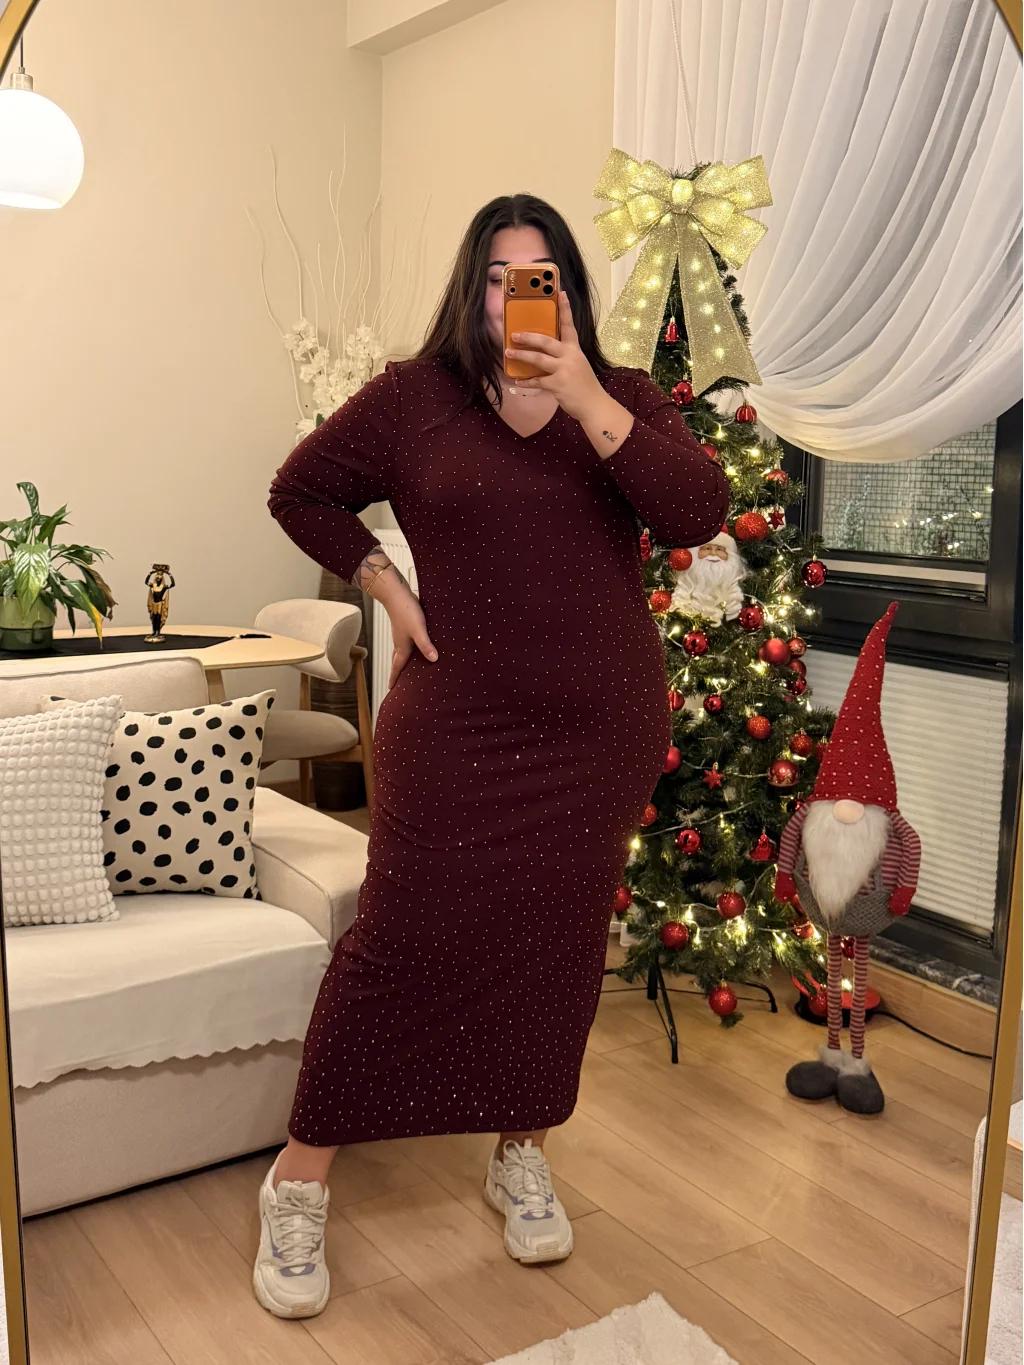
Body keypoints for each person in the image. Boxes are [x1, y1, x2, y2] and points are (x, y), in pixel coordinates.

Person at [253, 192, 730, 1319]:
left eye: (542, 277)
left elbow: (696, 510)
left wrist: (584, 396)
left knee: (554, 947)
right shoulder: (412, 399)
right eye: (500, 277)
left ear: (569, 291)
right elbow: (299, 490)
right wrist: (385, 584)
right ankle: (299, 1177)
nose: (521, 297)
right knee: (396, 942)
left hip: (597, 735)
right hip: (456, 728)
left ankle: (522, 1150)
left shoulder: (623, 398)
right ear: (473, 291)